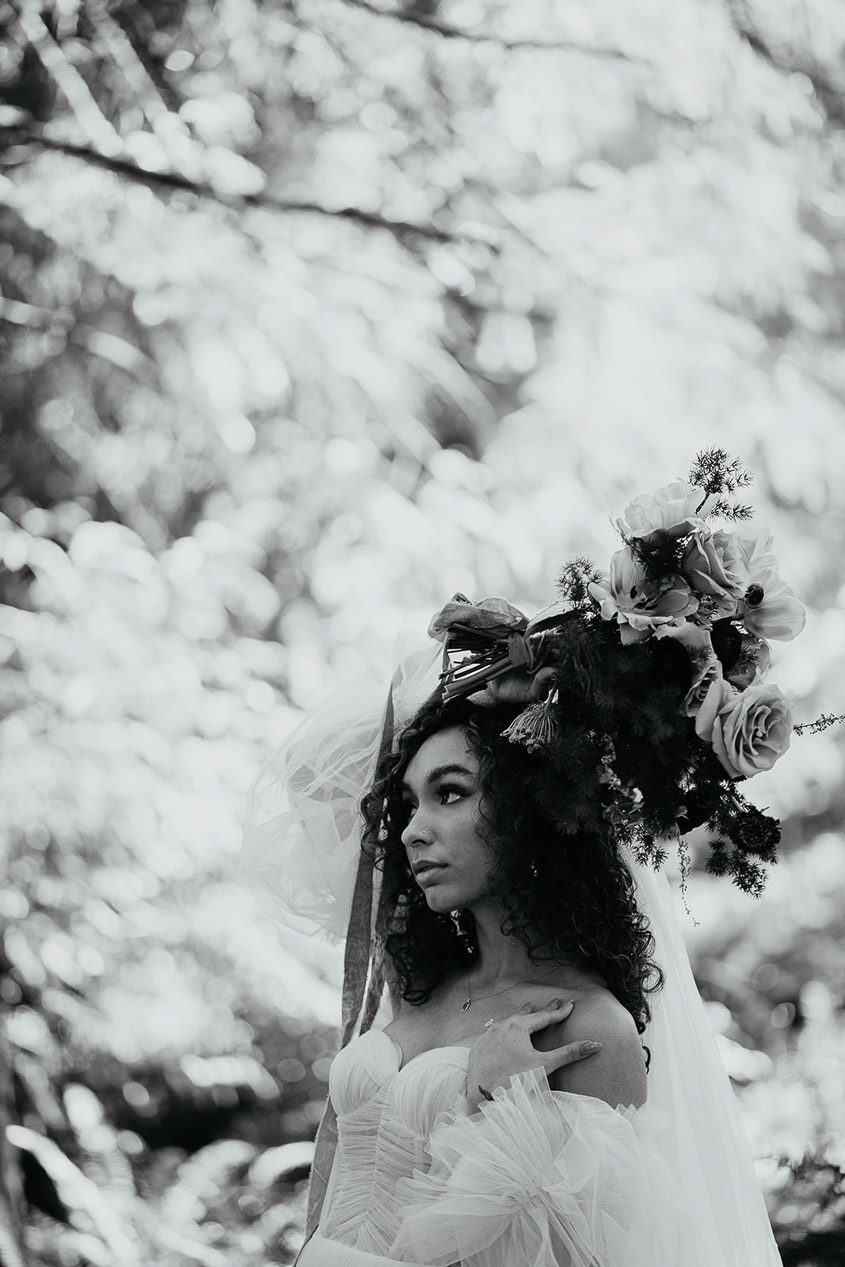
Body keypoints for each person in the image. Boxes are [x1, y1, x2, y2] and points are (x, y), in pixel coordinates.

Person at [244, 461, 799, 1266]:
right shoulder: (422, 984)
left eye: (451, 793)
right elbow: (309, 772)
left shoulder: (584, 1028)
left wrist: (500, 1105)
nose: (409, 832)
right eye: (408, 803)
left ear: (528, 815)